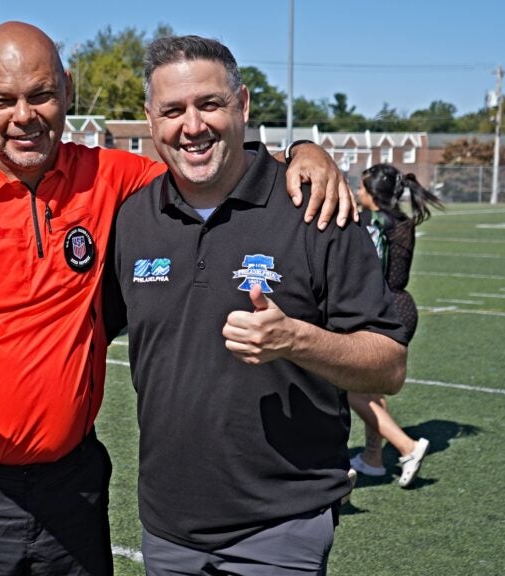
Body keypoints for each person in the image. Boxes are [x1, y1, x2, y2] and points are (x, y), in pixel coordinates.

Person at [0, 21, 354, 576]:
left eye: (41, 94)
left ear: (66, 89)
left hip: (75, 487)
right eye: (3, 101)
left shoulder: (112, 176)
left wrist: (304, 152)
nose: (23, 115)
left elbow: (205, 152)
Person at [103, 36, 409, 575]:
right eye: (172, 110)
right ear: (151, 120)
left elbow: (388, 364)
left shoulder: (315, 207)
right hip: (166, 527)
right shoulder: (133, 219)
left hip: (280, 526)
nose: (191, 126)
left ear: (243, 105)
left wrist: (296, 339)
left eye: (210, 104)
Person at [347, 164, 443, 489]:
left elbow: (365, 269)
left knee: (346, 387)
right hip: (402, 305)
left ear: (372, 194)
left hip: (382, 310)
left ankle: (407, 446)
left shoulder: (373, 223)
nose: (358, 193)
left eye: (361, 189)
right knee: (369, 389)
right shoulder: (402, 220)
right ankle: (373, 459)